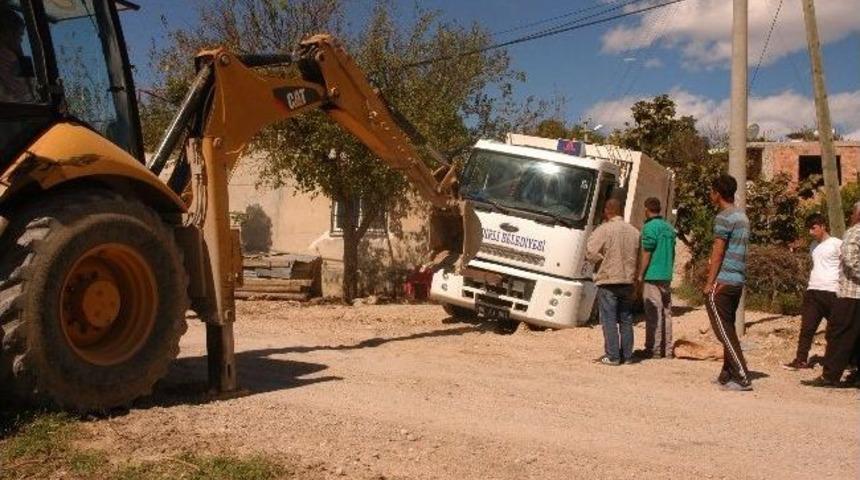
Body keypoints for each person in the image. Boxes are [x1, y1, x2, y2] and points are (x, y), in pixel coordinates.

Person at [703, 174, 752, 391]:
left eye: (711, 191)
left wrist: (709, 283)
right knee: (728, 327)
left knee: (723, 330)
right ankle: (727, 374)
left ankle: (742, 376)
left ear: (717, 193)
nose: (710, 195)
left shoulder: (723, 217)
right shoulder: (741, 216)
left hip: (724, 281)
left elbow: (718, 253)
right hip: (738, 280)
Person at [803, 202, 860, 388]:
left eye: (853, 212)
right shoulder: (814, 246)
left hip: (850, 292)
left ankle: (830, 376)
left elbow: (851, 260)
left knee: (838, 333)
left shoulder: (853, 232)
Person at [586, 197, 640, 366]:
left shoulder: (604, 229)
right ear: (621, 211)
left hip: (609, 280)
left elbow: (590, 252)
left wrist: (603, 258)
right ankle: (628, 355)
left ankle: (613, 355)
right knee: (626, 318)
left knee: (608, 319)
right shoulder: (634, 231)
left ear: (607, 211)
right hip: (627, 280)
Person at [783, 213, 841, 370]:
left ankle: (839, 362)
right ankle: (801, 359)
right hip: (813, 291)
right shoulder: (813, 246)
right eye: (809, 229)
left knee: (836, 330)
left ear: (823, 226)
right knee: (807, 328)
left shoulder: (837, 243)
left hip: (832, 291)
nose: (811, 232)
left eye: (814, 228)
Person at [636, 197, 676, 359]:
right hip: (666, 274)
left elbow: (647, 252)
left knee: (653, 312)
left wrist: (640, 274)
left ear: (647, 209)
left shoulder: (649, 227)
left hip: (652, 274)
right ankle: (667, 350)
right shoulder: (669, 228)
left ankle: (653, 349)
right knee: (666, 313)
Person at [0, 5, 35, 103]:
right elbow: (27, 95)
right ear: (6, 33)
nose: (21, 40)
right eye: (19, 35)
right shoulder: (9, 57)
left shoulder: (18, 58)